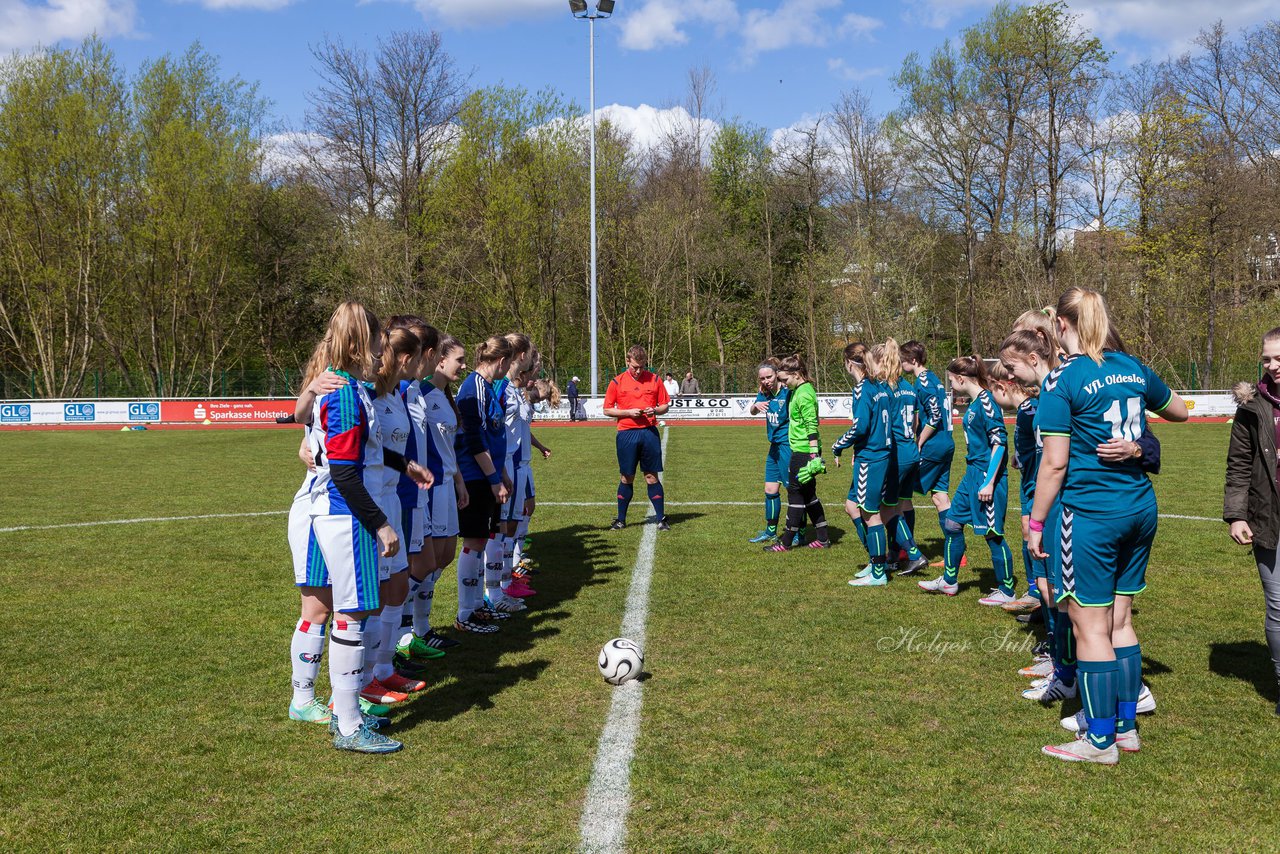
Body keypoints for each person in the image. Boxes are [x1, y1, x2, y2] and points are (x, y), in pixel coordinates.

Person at [1030, 287, 1187, 765]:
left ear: (1061, 324)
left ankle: (1098, 741)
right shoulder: (1133, 367)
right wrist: (1137, 444)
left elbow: (1054, 465)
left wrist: (1036, 522)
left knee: (1088, 625)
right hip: (1140, 508)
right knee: (1120, 621)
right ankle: (1125, 727)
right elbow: (1180, 410)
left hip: (1092, 515)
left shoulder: (1062, 380)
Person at [306, 301, 428, 753]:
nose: (384, 347)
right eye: (379, 339)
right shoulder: (342, 394)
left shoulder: (353, 390)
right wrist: (379, 524)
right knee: (353, 614)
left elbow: (363, 455)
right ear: (361, 341)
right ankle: (350, 723)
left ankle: (346, 713)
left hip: (338, 510)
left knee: (349, 612)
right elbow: (343, 471)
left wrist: (403, 463)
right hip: (346, 514)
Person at [917, 356, 1017, 604]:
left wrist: (990, 482)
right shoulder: (974, 403)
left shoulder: (987, 402)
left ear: (961, 378)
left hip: (985, 476)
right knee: (951, 522)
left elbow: (1000, 443)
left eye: (951, 379)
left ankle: (1007, 590)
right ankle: (949, 581)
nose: (950, 384)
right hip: (971, 473)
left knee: (992, 534)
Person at [1224, 326, 1280, 717]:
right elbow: (1239, 465)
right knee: (1278, 606)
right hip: (1267, 517)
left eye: (1279, 358)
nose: (1272, 365)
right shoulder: (1252, 406)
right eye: (1266, 358)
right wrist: (1236, 514)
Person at [453, 335, 516, 634]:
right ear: (501, 361)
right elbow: (475, 439)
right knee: (474, 542)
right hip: (475, 475)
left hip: (487, 475)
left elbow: (493, 437)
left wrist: (501, 472)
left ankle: (478, 606)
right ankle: (466, 612)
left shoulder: (488, 388)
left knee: (480, 541)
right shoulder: (475, 388)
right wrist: (493, 478)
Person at [834, 343, 897, 584]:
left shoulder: (862, 389)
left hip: (870, 458)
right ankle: (875, 560)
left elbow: (860, 427)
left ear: (849, 363)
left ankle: (879, 571)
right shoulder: (879, 386)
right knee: (852, 506)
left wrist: (838, 445)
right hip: (880, 455)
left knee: (870, 514)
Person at [901, 341, 962, 571]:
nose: (900, 364)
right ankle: (955, 553)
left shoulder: (923, 382)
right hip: (947, 443)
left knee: (902, 493)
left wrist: (919, 441)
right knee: (940, 497)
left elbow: (934, 416)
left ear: (913, 360)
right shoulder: (933, 379)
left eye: (903, 360)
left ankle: (906, 549)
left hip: (934, 446)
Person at [766, 353, 831, 551]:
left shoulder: (803, 393)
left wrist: (813, 454)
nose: (784, 384)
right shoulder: (799, 390)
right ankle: (823, 538)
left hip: (803, 451)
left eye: (785, 380)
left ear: (796, 374)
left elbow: (812, 424)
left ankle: (786, 542)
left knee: (795, 494)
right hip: (801, 448)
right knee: (809, 495)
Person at [603, 344, 672, 531]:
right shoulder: (616, 382)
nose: (639, 370)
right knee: (627, 477)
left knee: (651, 476)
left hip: (649, 432)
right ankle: (620, 519)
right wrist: (627, 412)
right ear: (627, 361)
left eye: (642, 367)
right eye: (634, 367)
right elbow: (607, 409)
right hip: (626, 433)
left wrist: (655, 409)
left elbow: (665, 405)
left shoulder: (655, 379)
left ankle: (661, 519)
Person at [748, 359, 791, 544]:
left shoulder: (788, 392)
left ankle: (798, 531)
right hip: (774, 447)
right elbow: (752, 411)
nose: (766, 381)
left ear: (777, 374)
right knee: (770, 489)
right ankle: (771, 531)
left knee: (794, 491)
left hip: (788, 446)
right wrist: (755, 406)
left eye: (769, 376)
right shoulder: (764, 393)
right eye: (762, 378)